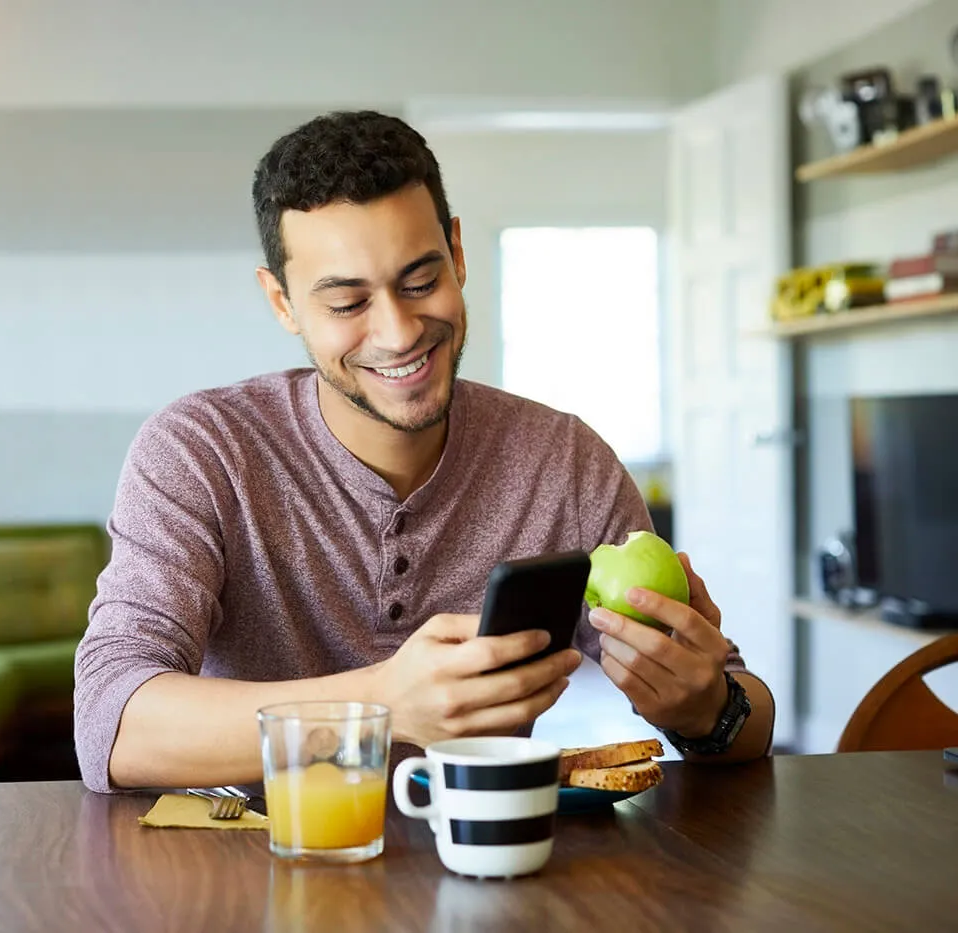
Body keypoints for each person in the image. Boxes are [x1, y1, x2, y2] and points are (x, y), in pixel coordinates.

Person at [73, 110, 774, 793]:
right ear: (283, 303)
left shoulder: (566, 461)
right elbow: (111, 721)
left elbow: (746, 713)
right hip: (248, 879)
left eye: (421, 281)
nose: (400, 331)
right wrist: (379, 703)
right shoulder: (201, 450)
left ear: (458, 254)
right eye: (348, 303)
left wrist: (704, 704)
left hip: (487, 874)